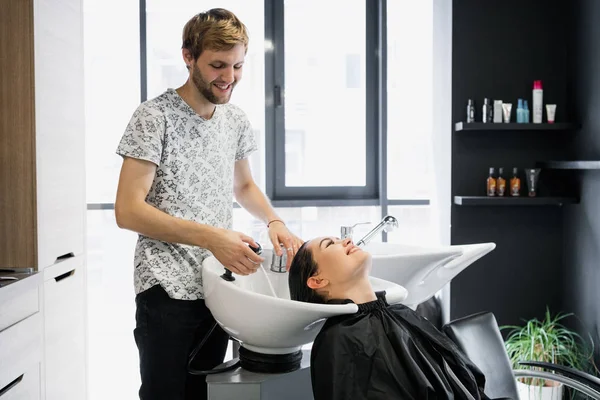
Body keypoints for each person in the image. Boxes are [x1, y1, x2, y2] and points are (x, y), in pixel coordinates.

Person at [114, 8, 303, 400]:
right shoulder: (154, 117)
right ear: (188, 56)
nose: (229, 78)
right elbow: (128, 210)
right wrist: (214, 238)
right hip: (165, 287)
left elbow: (245, 185)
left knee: (206, 393)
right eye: (218, 65)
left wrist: (274, 221)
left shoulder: (234, 120)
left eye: (237, 66)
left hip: (218, 286)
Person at [289, 237, 506, 400]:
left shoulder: (400, 313)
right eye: (330, 244)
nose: (346, 240)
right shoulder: (338, 340)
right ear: (317, 281)